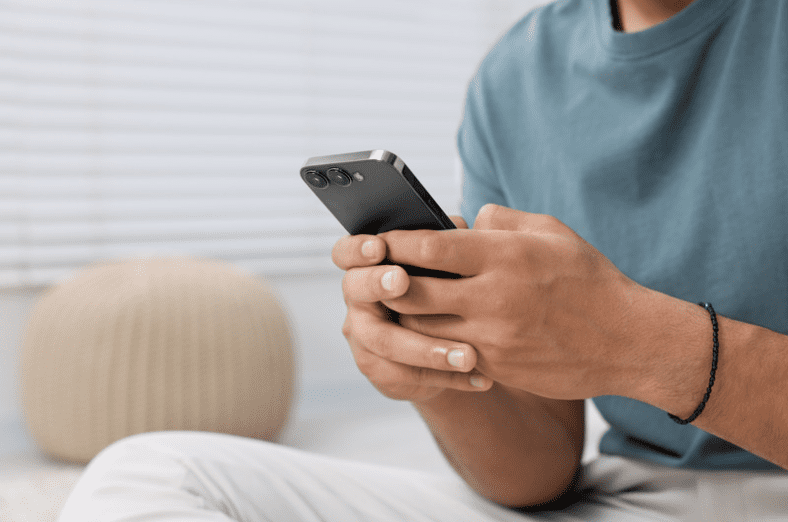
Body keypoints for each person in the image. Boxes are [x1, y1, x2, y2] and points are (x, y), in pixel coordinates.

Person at [57, 0, 788, 520]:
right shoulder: (516, 77)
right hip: (634, 497)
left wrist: (644, 344)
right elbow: (539, 477)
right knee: (149, 475)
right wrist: (437, 368)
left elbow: (634, 347)